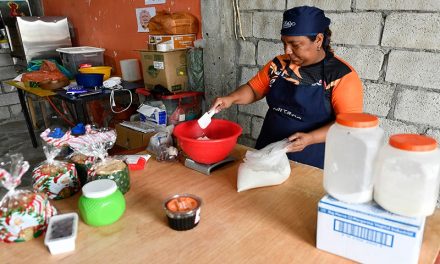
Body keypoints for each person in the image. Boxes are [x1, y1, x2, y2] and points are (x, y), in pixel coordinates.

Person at [211, 6, 363, 169]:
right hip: (268, 152)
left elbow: (349, 125)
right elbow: (254, 89)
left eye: (295, 44)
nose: (287, 50)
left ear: (318, 40)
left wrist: (310, 138)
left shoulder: (341, 75)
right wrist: (231, 99)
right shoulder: (279, 64)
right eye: (284, 43)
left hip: (311, 161)